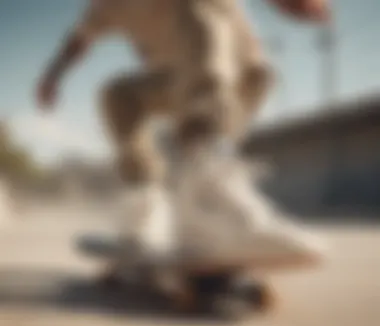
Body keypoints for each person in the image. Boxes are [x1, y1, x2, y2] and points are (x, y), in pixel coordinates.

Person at [36, 0, 330, 294]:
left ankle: (209, 195)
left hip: (239, 76)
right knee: (117, 95)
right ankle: (145, 198)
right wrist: (53, 75)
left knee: (206, 31)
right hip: (177, 83)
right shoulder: (108, 7)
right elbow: (79, 40)